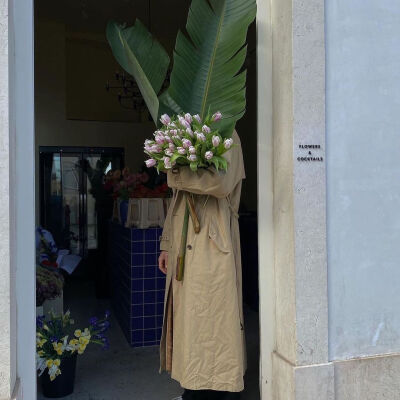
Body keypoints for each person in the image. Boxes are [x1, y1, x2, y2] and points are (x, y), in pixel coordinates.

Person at [158, 131, 246, 400]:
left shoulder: (230, 136)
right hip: (184, 246)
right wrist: (166, 243)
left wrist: (176, 174)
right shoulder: (189, 133)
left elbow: (220, 184)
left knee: (215, 322)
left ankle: (220, 391)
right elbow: (177, 199)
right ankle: (192, 389)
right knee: (189, 323)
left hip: (212, 246)